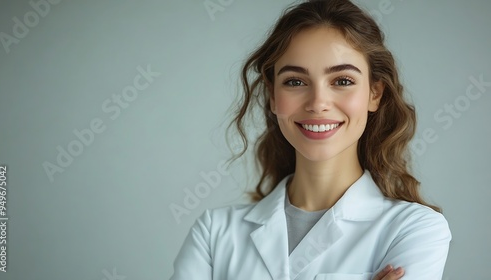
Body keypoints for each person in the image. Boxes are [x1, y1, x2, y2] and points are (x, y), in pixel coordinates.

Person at [170, 0, 451, 279]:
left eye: (342, 81)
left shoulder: (415, 229)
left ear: (374, 93)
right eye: (295, 81)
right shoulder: (213, 233)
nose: (318, 103)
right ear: (272, 96)